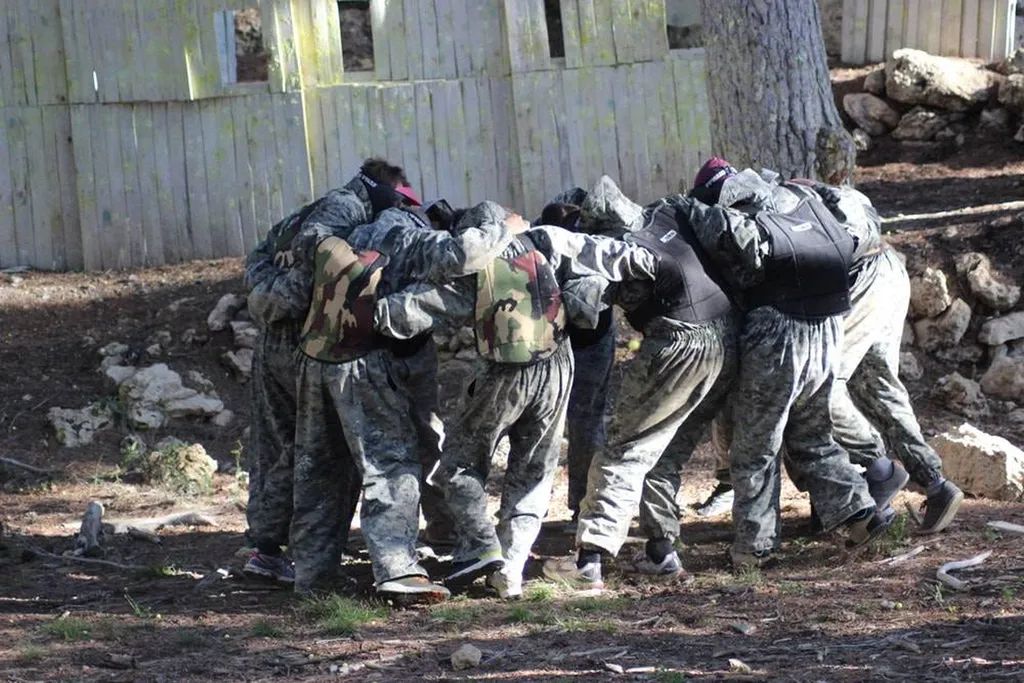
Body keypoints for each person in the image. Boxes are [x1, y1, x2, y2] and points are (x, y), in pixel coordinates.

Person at [376, 200, 659, 599]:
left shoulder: (473, 268)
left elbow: (411, 311)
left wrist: (367, 309)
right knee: (533, 473)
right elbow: (602, 252)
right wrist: (653, 260)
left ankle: (482, 547)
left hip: (501, 372)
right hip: (557, 365)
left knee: (458, 464)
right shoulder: (547, 241)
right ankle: (510, 568)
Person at [692, 168, 963, 535]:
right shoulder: (786, 189)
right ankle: (934, 482)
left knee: (820, 386)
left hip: (860, 280)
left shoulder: (754, 212)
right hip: (886, 266)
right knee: (879, 386)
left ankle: (879, 471)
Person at [280, 196, 521, 602]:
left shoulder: (357, 233)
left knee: (321, 467)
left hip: (315, 355)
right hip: (364, 360)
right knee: (390, 464)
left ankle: (314, 575)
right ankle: (398, 570)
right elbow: (464, 254)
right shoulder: (410, 236)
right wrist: (506, 230)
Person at [685, 157, 894, 568]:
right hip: (829, 325)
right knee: (811, 437)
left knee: (756, 446)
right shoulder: (795, 199)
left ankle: (755, 547)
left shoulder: (736, 218)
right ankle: (860, 513)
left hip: (778, 332)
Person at [541, 177, 740, 588]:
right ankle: (661, 551)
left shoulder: (621, 249)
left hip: (679, 344)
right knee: (661, 452)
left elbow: (583, 312)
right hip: (727, 339)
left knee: (623, 451)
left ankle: (589, 562)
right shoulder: (667, 216)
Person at [241, 158, 412, 584]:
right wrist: (282, 302)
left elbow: (259, 259)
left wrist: (267, 300)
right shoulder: (345, 210)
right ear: (381, 187)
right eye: (399, 195)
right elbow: (317, 262)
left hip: (280, 339)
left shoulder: (313, 210)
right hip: (305, 338)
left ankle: (267, 545)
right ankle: (291, 551)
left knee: (280, 447)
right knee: (315, 452)